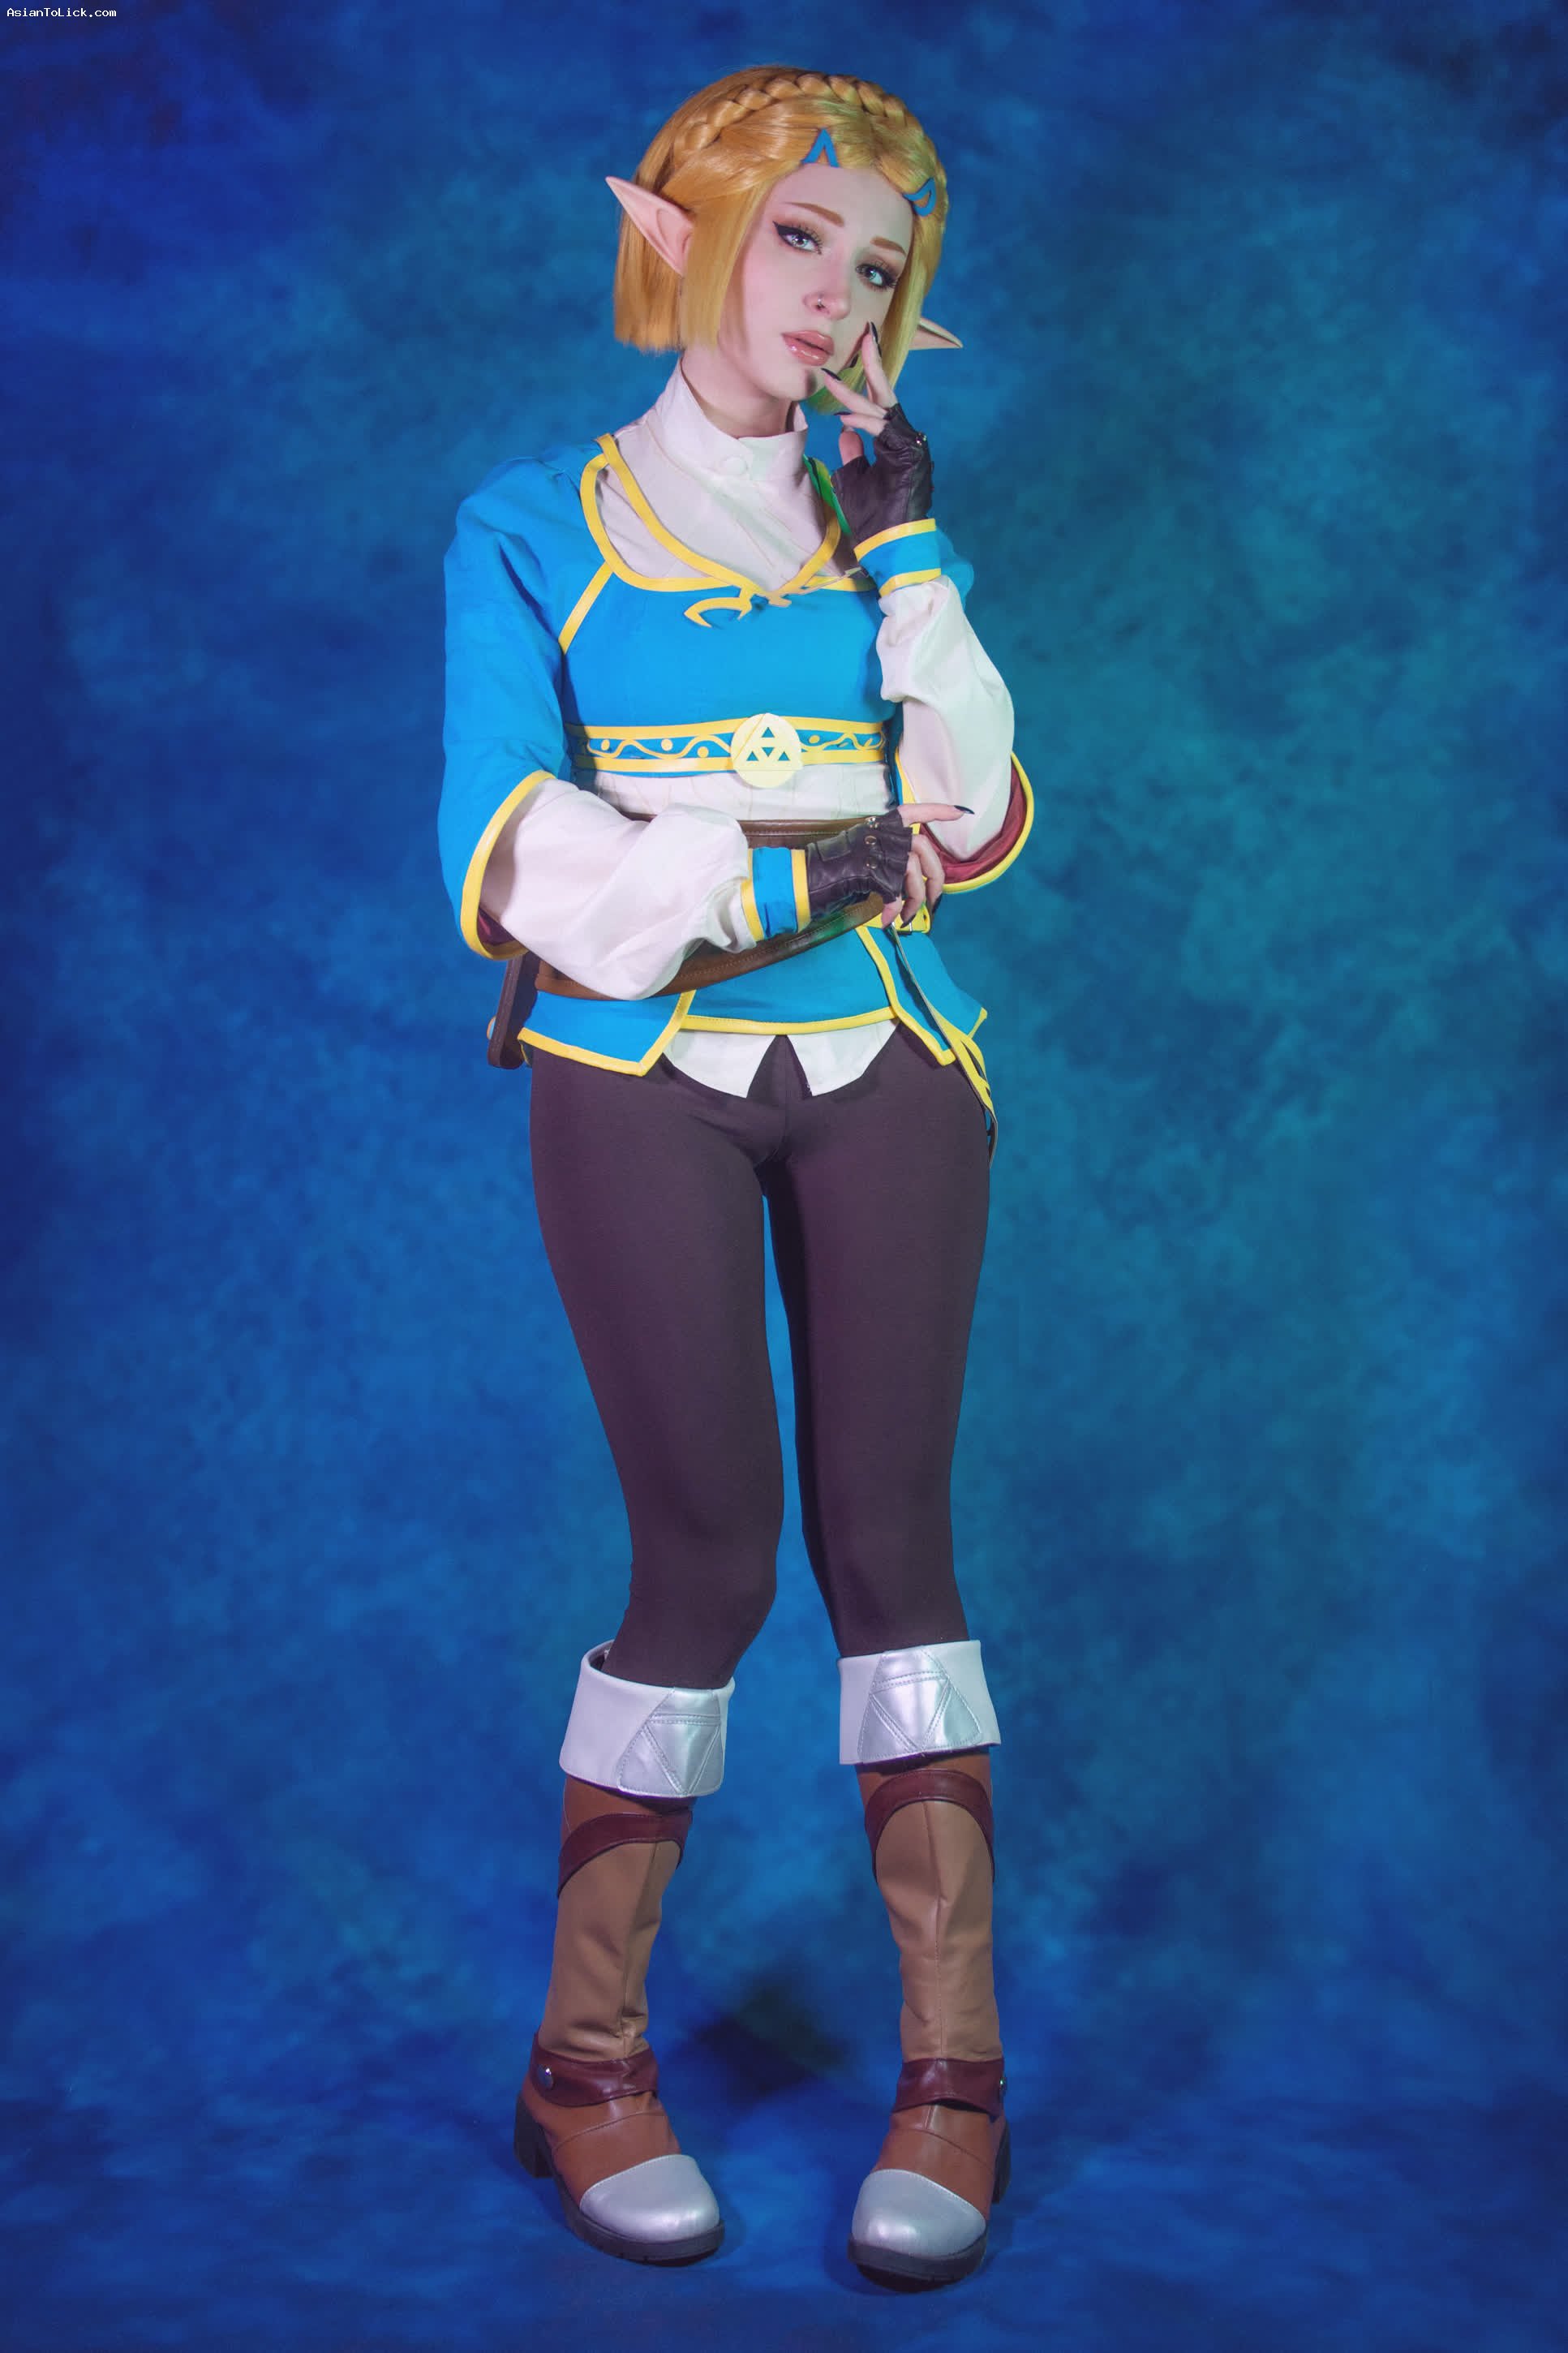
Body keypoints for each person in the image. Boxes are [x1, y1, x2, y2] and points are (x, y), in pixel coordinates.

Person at [439, 63, 1032, 2287]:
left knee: (899, 1551)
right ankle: (581, 2061)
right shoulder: (534, 522)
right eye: (798, 235)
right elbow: (516, 854)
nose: (836, 295)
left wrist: (914, 562)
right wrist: (787, 868)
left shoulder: (885, 529)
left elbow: (973, 812)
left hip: (893, 1058)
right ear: (677, 230)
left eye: (877, 267)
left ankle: (958, 2075)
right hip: (638, 1074)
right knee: (703, 1558)